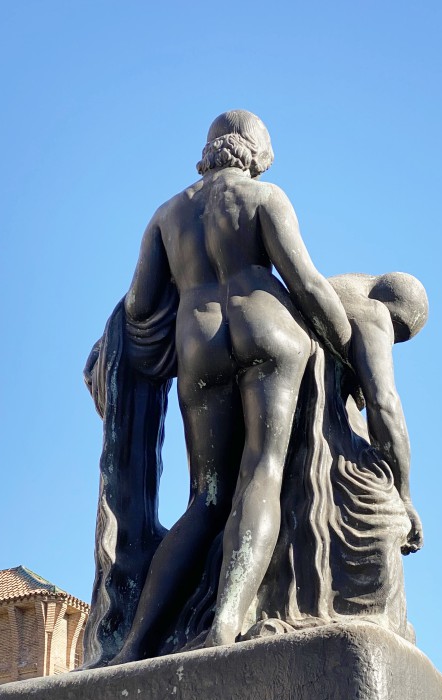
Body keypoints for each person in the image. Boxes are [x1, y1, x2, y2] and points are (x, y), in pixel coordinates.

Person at [110, 110, 352, 662]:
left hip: (198, 341)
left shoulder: (167, 215)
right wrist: (347, 348)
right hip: (267, 329)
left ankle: (136, 644)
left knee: (205, 498)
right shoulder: (265, 199)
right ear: (256, 156)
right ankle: (224, 622)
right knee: (261, 471)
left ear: (210, 149)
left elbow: (140, 306)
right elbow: (308, 283)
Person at [329, 271, 428, 555]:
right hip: (319, 433)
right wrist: (405, 497)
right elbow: (384, 402)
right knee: (381, 521)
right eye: (397, 334)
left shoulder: (332, 290)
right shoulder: (373, 313)